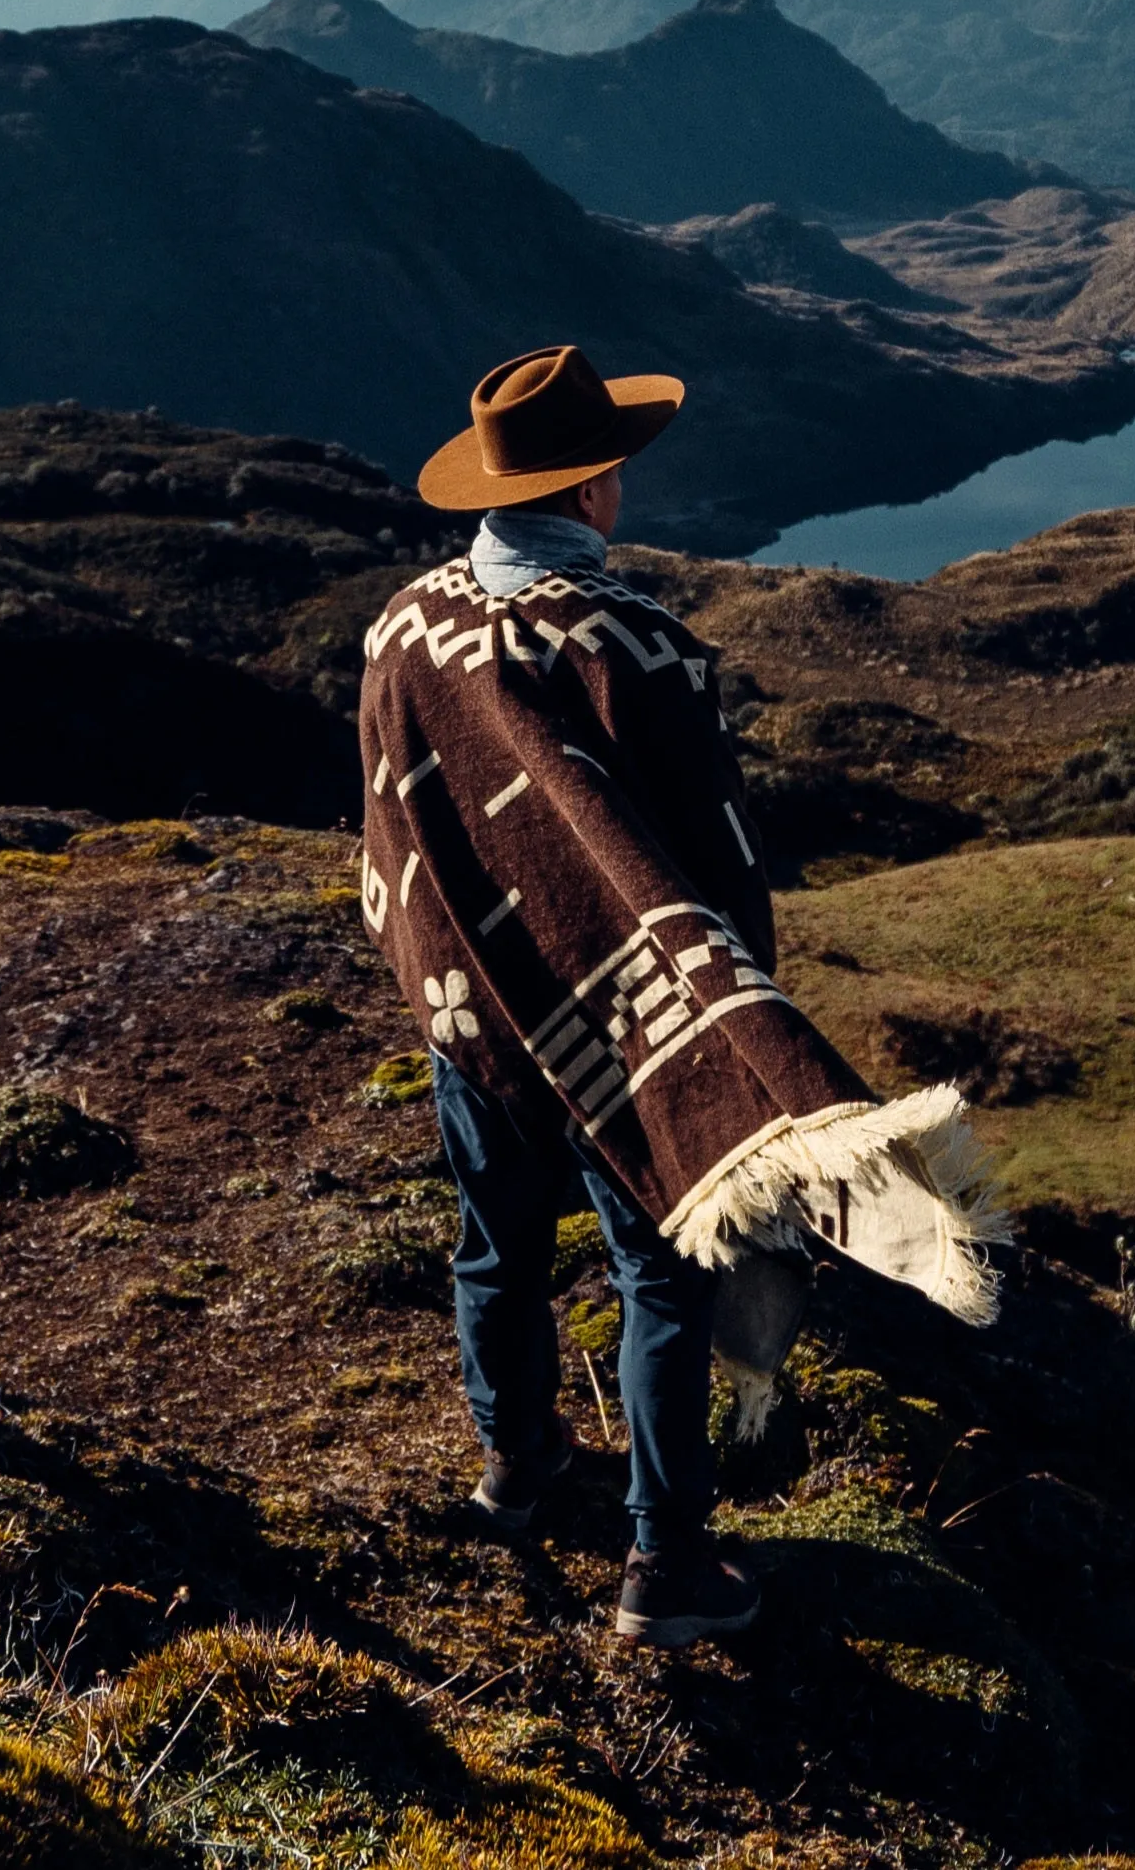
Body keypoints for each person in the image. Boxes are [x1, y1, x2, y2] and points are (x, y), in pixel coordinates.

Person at [357, 345, 1007, 1649]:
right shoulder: (635, 650)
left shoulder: (403, 628)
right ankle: (666, 1562)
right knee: (662, 1281)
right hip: (625, 1038)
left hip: (474, 1011)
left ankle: (518, 1468)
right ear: (596, 486)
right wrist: (735, 1030)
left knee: (498, 1246)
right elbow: (709, 863)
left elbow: (399, 828)